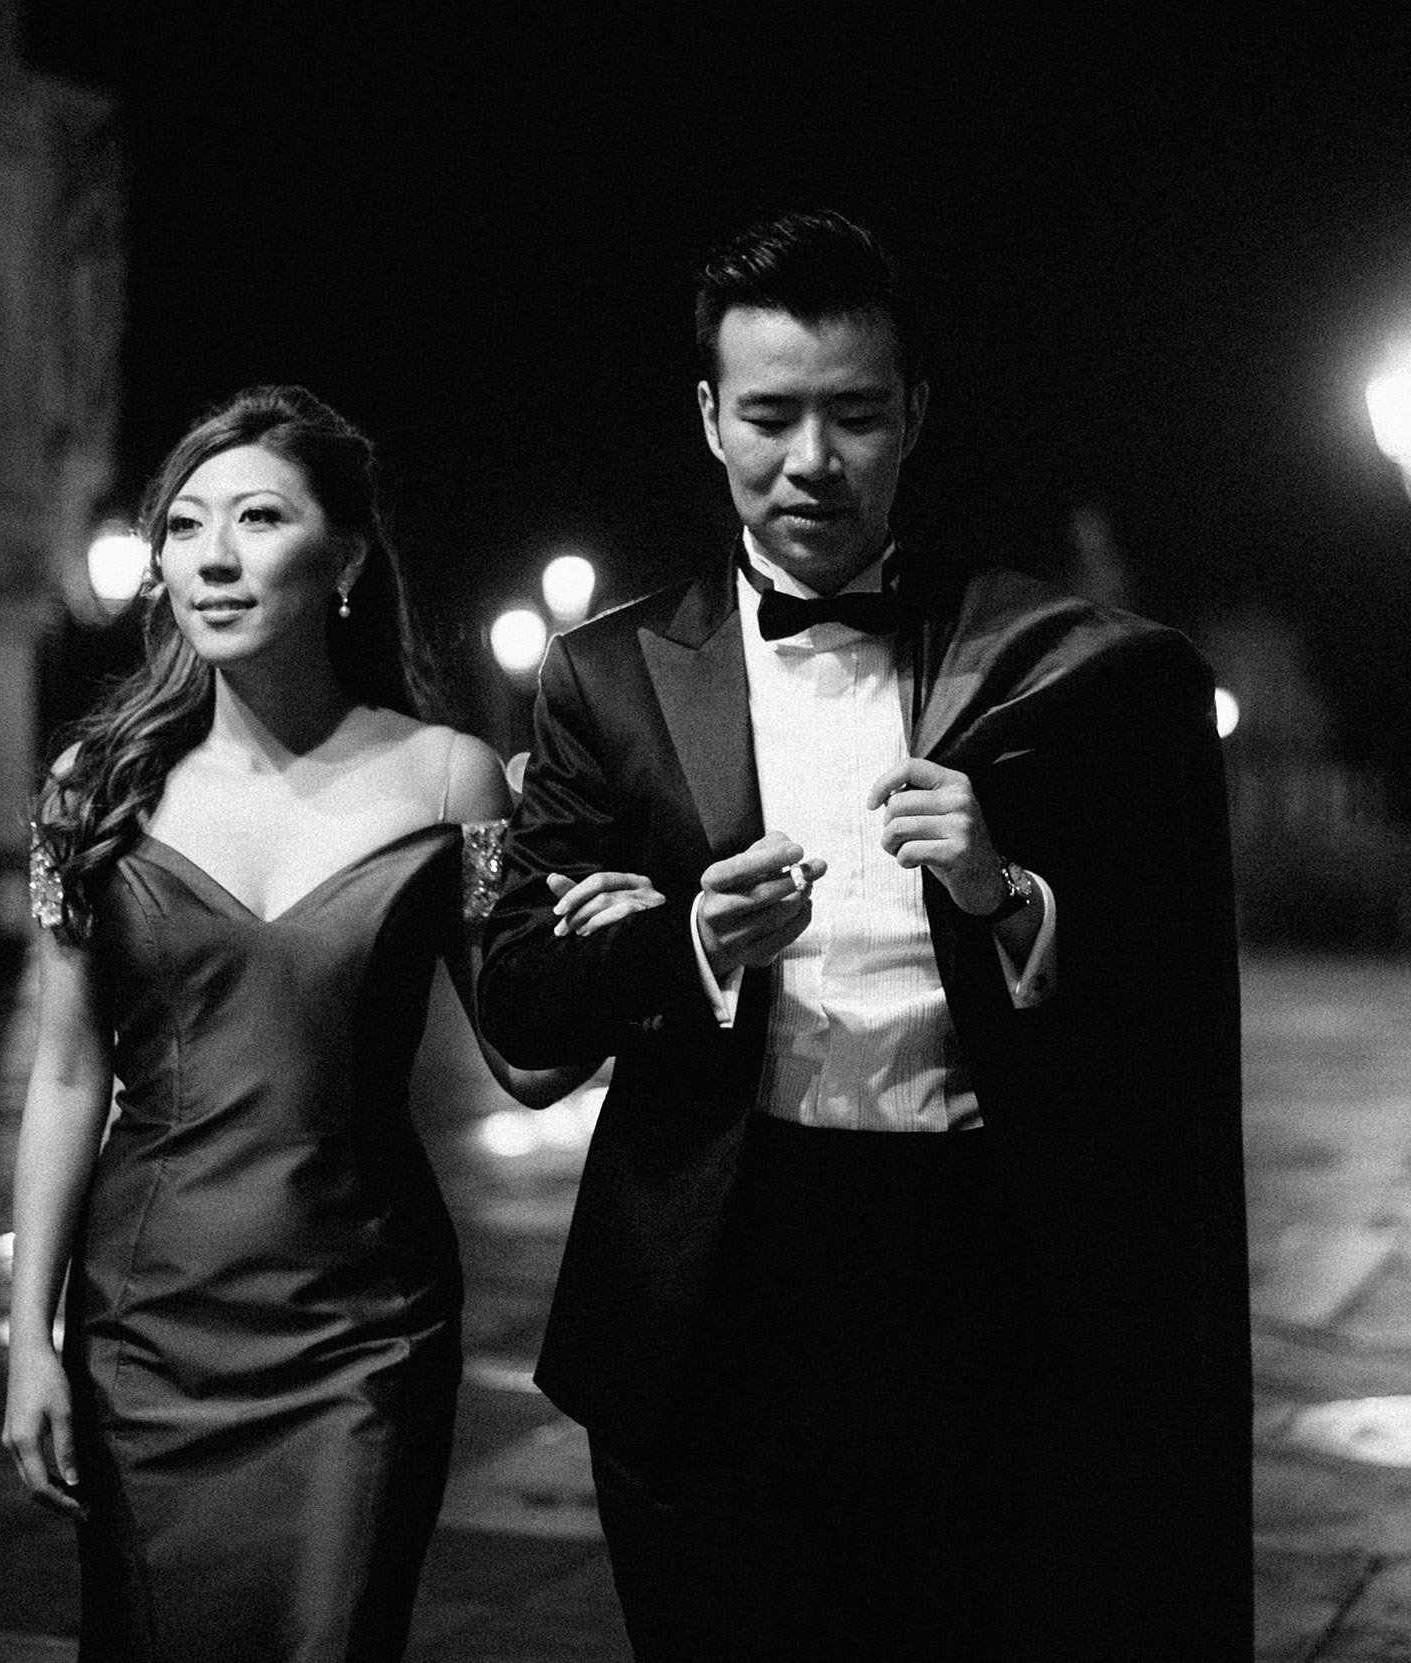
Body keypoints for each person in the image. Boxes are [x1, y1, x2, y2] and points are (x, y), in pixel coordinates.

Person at [478, 212, 1250, 1659]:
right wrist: (689, 942)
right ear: (709, 417)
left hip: (973, 1265)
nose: (812, 460)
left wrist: (1006, 893)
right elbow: (519, 994)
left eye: (855, 415)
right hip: (712, 1280)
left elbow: (1163, 992)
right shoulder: (606, 676)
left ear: (915, 417)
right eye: (770, 416)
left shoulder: (1047, 665)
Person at [1, 385, 657, 1663]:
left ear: (345, 556)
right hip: (147, 1329)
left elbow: (526, 1065)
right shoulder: (96, 784)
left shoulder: (449, 776)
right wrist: (31, 1341)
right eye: (185, 525)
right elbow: (67, 1076)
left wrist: (626, 966)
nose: (214, 556)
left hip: (363, 1329)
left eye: (258, 518)